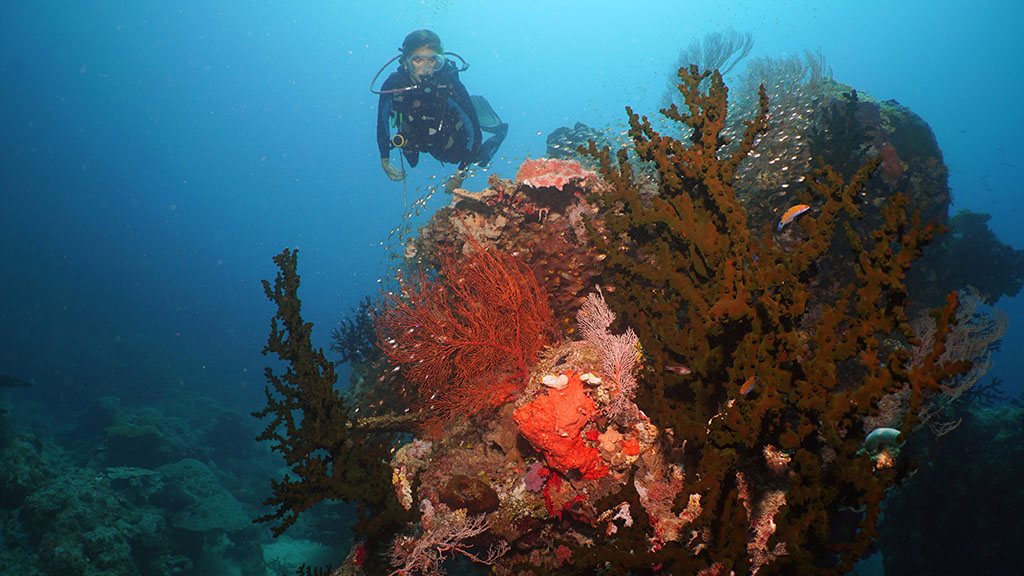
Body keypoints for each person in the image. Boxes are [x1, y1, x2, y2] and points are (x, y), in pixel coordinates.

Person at [375, 30, 508, 192]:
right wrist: (385, 160)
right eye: (417, 60)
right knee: (411, 157)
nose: (425, 69)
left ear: (440, 62)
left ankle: (499, 131)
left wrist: (460, 175)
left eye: (432, 61)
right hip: (415, 137)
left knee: (473, 157)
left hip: (447, 136)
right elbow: (382, 124)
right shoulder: (393, 86)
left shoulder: (450, 85)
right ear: (405, 62)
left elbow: (474, 133)